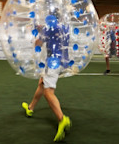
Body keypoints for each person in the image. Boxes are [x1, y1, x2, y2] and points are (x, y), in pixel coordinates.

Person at [22, 14, 71, 142]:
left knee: (48, 92)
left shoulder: (48, 28)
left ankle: (62, 119)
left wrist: (37, 36)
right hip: (63, 61)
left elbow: (38, 44)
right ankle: (31, 108)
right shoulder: (65, 27)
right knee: (42, 83)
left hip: (53, 61)